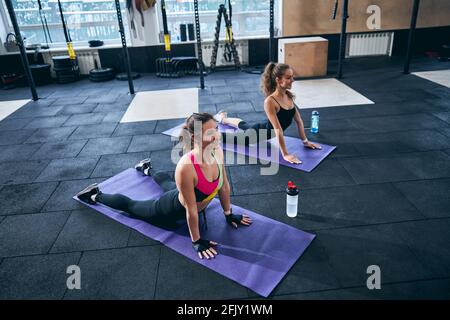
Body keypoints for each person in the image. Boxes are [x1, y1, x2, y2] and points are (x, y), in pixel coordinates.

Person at [76, 113, 252, 260]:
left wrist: (228, 214)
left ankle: (146, 168)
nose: (217, 136)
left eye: (217, 129)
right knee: (133, 206)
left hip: (187, 194)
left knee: (168, 184)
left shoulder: (217, 151)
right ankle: (95, 195)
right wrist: (196, 241)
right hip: (172, 209)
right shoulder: (186, 167)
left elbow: (224, 186)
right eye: (210, 133)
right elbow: (191, 210)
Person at [215, 62, 321, 164]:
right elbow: (278, 129)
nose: (292, 80)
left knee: (244, 125)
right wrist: (285, 154)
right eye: (288, 78)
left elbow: (299, 121)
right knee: (231, 138)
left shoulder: (288, 96)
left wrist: (305, 141)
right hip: (257, 134)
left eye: (292, 77)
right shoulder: (270, 101)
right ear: (278, 80)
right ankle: (210, 133)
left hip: (262, 126)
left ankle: (223, 118)